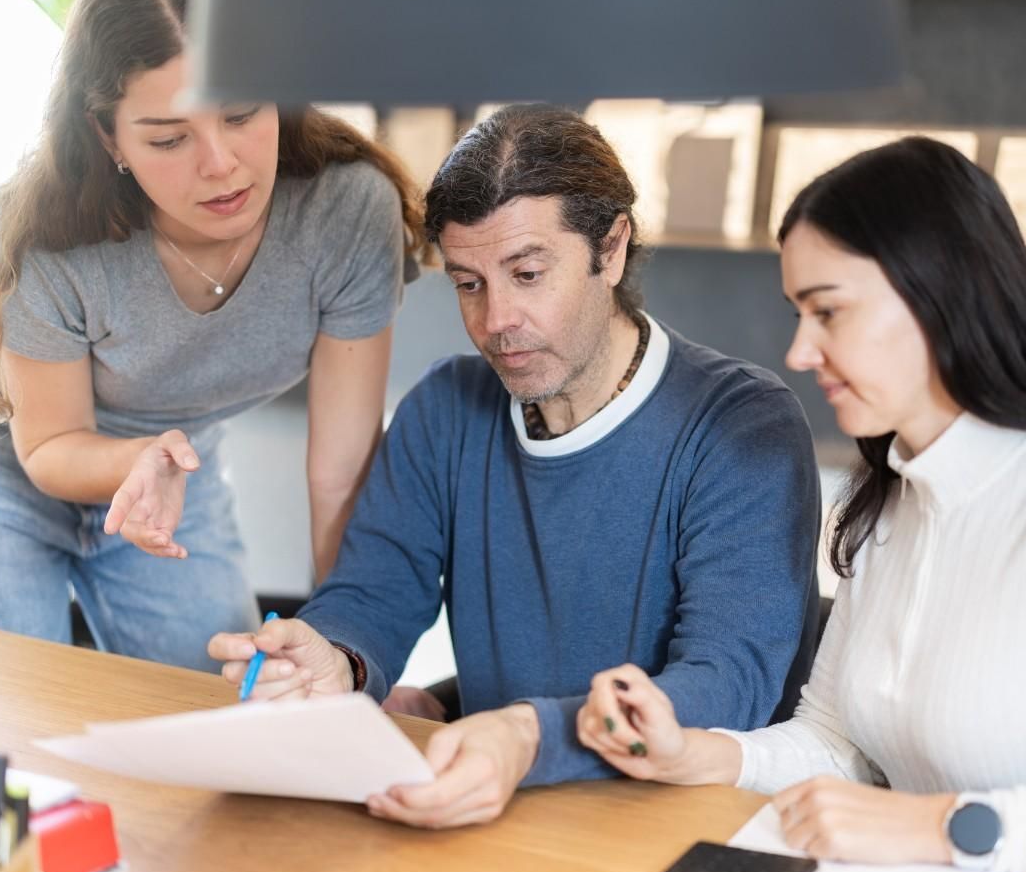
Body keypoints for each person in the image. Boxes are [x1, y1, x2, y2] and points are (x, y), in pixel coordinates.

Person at [577, 137, 1026, 872]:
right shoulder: (892, 496)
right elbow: (836, 741)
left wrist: (938, 824)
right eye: (797, 313)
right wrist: (697, 753)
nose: (799, 350)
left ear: (939, 293)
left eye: (828, 312)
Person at [207, 104, 822, 829]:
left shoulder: (741, 425)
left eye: (528, 273)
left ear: (613, 248)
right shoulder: (446, 409)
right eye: (469, 283)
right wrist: (335, 658)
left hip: (681, 824)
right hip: (501, 809)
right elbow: (374, 594)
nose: (497, 319)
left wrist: (529, 736)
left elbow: (727, 686)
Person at [0, 0, 423, 668]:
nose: (220, 163)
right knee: (15, 734)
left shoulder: (345, 212)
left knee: (221, 704)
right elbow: (51, 441)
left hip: (173, 467)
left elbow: (341, 474)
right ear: (108, 136)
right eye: (169, 138)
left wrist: (346, 650)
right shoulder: (52, 238)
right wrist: (131, 461)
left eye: (241, 113)